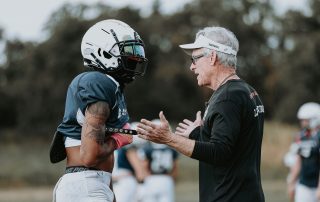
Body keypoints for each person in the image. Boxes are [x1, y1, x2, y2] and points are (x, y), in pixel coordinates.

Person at [137, 26, 265, 202]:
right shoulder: (246, 91)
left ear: (212, 57)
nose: (191, 66)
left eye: (195, 58)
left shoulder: (228, 97)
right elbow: (235, 145)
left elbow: (220, 152)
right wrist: (199, 134)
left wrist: (169, 139)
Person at [49, 19, 148, 202]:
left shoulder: (112, 86)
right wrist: (119, 139)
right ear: (103, 52)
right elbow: (89, 156)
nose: (135, 58)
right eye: (127, 51)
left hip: (93, 182)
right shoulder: (98, 82)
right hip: (86, 183)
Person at [286, 102, 320, 202]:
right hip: (304, 183)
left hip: (316, 183)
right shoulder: (301, 136)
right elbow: (298, 160)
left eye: (305, 120)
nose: (303, 123)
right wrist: (291, 181)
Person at [140, 119, 179, 202]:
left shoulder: (147, 149)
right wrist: (171, 180)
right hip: (166, 179)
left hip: (151, 179)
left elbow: (144, 167)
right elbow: (175, 169)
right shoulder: (171, 149)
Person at [113, 122, 150, 202]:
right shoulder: (123, 147)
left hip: (125, 182)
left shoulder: (129, 149)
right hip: (121, 182)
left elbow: (140, 172)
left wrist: (141, 185)